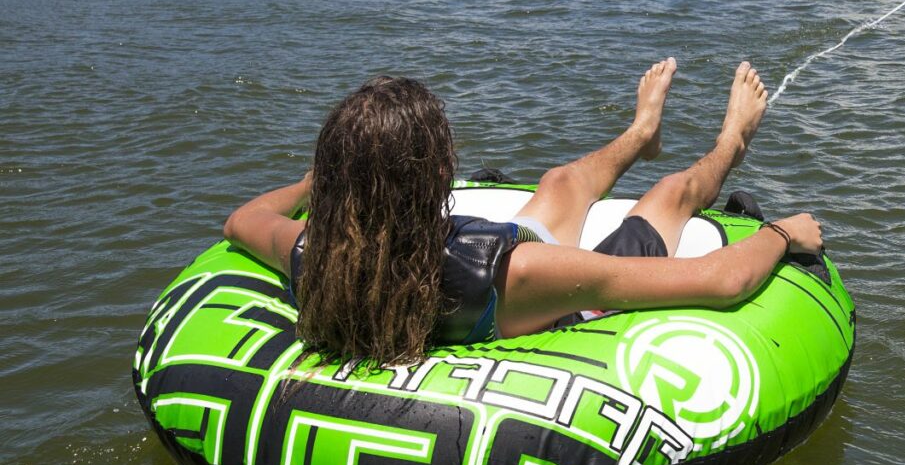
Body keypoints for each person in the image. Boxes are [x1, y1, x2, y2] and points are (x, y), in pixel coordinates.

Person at [223, 59, 822, 366]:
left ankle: (641, 133)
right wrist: (780, 233)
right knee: (668, 196)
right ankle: (731, 143)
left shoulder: (315, 251)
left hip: (463, 251)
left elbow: (241, 220)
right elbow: (722, 280)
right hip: (541, 295)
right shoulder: (519, 272)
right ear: (438, 177)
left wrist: (309, 183)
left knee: (562, 181)